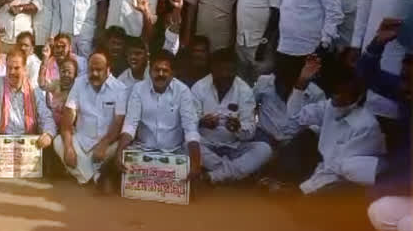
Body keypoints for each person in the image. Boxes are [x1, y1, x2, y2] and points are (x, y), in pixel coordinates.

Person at [281, 57, 385, 194]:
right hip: (322, 175)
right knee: (303, 137)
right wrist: (302, 82)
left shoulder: (366, 125)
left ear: (357, 93)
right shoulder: (329, 107)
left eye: (343, 93)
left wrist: (302, 190)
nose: (336, 97)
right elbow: (291, 125)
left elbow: (341, 171)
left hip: (347, 184)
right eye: (335, 92)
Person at [359, 17, 412, 231]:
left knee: (409, 227)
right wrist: (378, 42)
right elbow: (367, 74)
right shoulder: (406, 93)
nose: (404, 86)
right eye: (403, 78)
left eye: (410, 80)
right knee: (381, 213)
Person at [116, 50, 201, 186]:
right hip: (143, 149)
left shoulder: (183, 91)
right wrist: (120, 151)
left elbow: (190, 128)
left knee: (190, 179)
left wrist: (196, 162)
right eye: (156, 70)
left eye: (165, 70)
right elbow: (130, 124)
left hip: (174, 151)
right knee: (118, 166)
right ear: (150, 71)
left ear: (172, 73)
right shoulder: (138, 89)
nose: (160, 74)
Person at [191, 49, 272, 184]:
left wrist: (238, 128)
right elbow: (189, 124)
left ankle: (214, 175)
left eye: (230, 71)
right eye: (221, 70)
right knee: (185, 144)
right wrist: (201, 122)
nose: (225, 75)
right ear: (212, 69)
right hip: (206, 145)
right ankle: (233, 172)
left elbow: (250, 132)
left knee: (264, 149)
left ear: (236, 71)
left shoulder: (244, 91)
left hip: (234, 147)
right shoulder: (199, 88)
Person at [54, 51, 126, 186]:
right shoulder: (79, 83)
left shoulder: (120, 89)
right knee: (59, 142)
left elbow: (118, 123)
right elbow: (67, 119)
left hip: (107, 145)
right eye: (91, 69)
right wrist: (69, 148)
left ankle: (82, 173)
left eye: (99, 70)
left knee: (121, 146)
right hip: (81, 143)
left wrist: (104, 144)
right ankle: (95, 176)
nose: (94, 74)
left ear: (108, 70)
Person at [0, 48, 56, 158]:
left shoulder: (34, 90)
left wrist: (48, 135)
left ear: (25, 69)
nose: (11, 72)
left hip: (27, 142)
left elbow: (46, 117)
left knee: (46, 146)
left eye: (16, 68)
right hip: (3, 141)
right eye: (9, 68)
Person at [253, 52, 326, 150]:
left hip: (294, 144)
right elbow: (249, 106)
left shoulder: (316, 93)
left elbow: (321, 127)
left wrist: (304, 136)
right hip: (262, 136)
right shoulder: (265, 81)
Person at [46, 58, 78, 127]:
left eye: (69, 72)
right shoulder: (56, 83)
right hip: (54, 123)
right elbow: (43, 86)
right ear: (59, 72)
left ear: (75, 75)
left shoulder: (77, 89)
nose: (66, 74)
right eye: (63, 71)